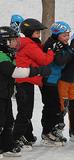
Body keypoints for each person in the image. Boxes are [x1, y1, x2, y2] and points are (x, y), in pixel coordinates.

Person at [0, 26, 51, 158]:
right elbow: (15, 72)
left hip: (4, 94)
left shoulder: (8, 55)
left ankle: (6, 146)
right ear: (3, 42)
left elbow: (17, 71)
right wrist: (37, 71)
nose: (15, 43)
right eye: (11, 41)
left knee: (8, 121)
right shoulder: (1, 57)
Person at [12, 18, 55, 150]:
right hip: (25, 81)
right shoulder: (30, 45)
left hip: (23, 80)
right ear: (30, 32)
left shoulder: (26, 43)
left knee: (24, 110)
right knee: (25, 112)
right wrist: (50, 51)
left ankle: (25, 135)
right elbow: (44, 60)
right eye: (37, 32)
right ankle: (16, 138)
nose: (39, 35)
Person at [40, 21, 73, 146]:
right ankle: (47, 132)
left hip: (55, 79)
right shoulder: (52, 44)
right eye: (64, 35)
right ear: (57, 34)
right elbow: (59, 61)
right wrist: (70, 53)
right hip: (48, 80)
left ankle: (52, 130)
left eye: (68, 34)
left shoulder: (59, 43)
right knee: (50, 106)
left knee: (55, 106)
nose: (67, 37)